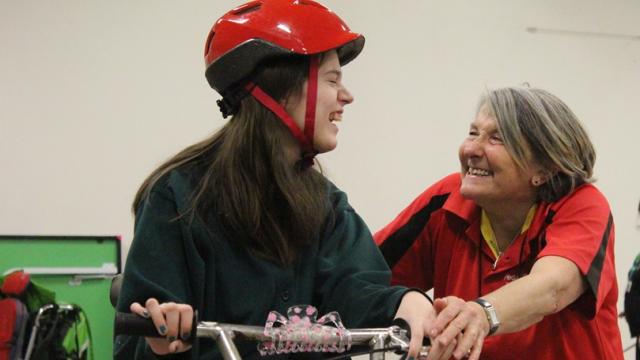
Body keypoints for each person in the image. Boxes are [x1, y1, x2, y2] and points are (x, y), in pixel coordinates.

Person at [114, 1, 442, 359]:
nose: (347, 97)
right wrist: (158, 341)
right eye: (333, 79)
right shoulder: (177, 198)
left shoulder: (325, 204)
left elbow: (356, 289)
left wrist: (406, 301)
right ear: (280, 88)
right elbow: (132, 340)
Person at [375, 86, 624, 360]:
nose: (470, 148)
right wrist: (415, 305)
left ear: (544, 168)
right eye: (473, 133)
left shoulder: (581, 203)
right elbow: (361, 276)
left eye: (497, 138)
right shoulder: (446, 199)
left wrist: (481, 313)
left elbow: (553, 287)